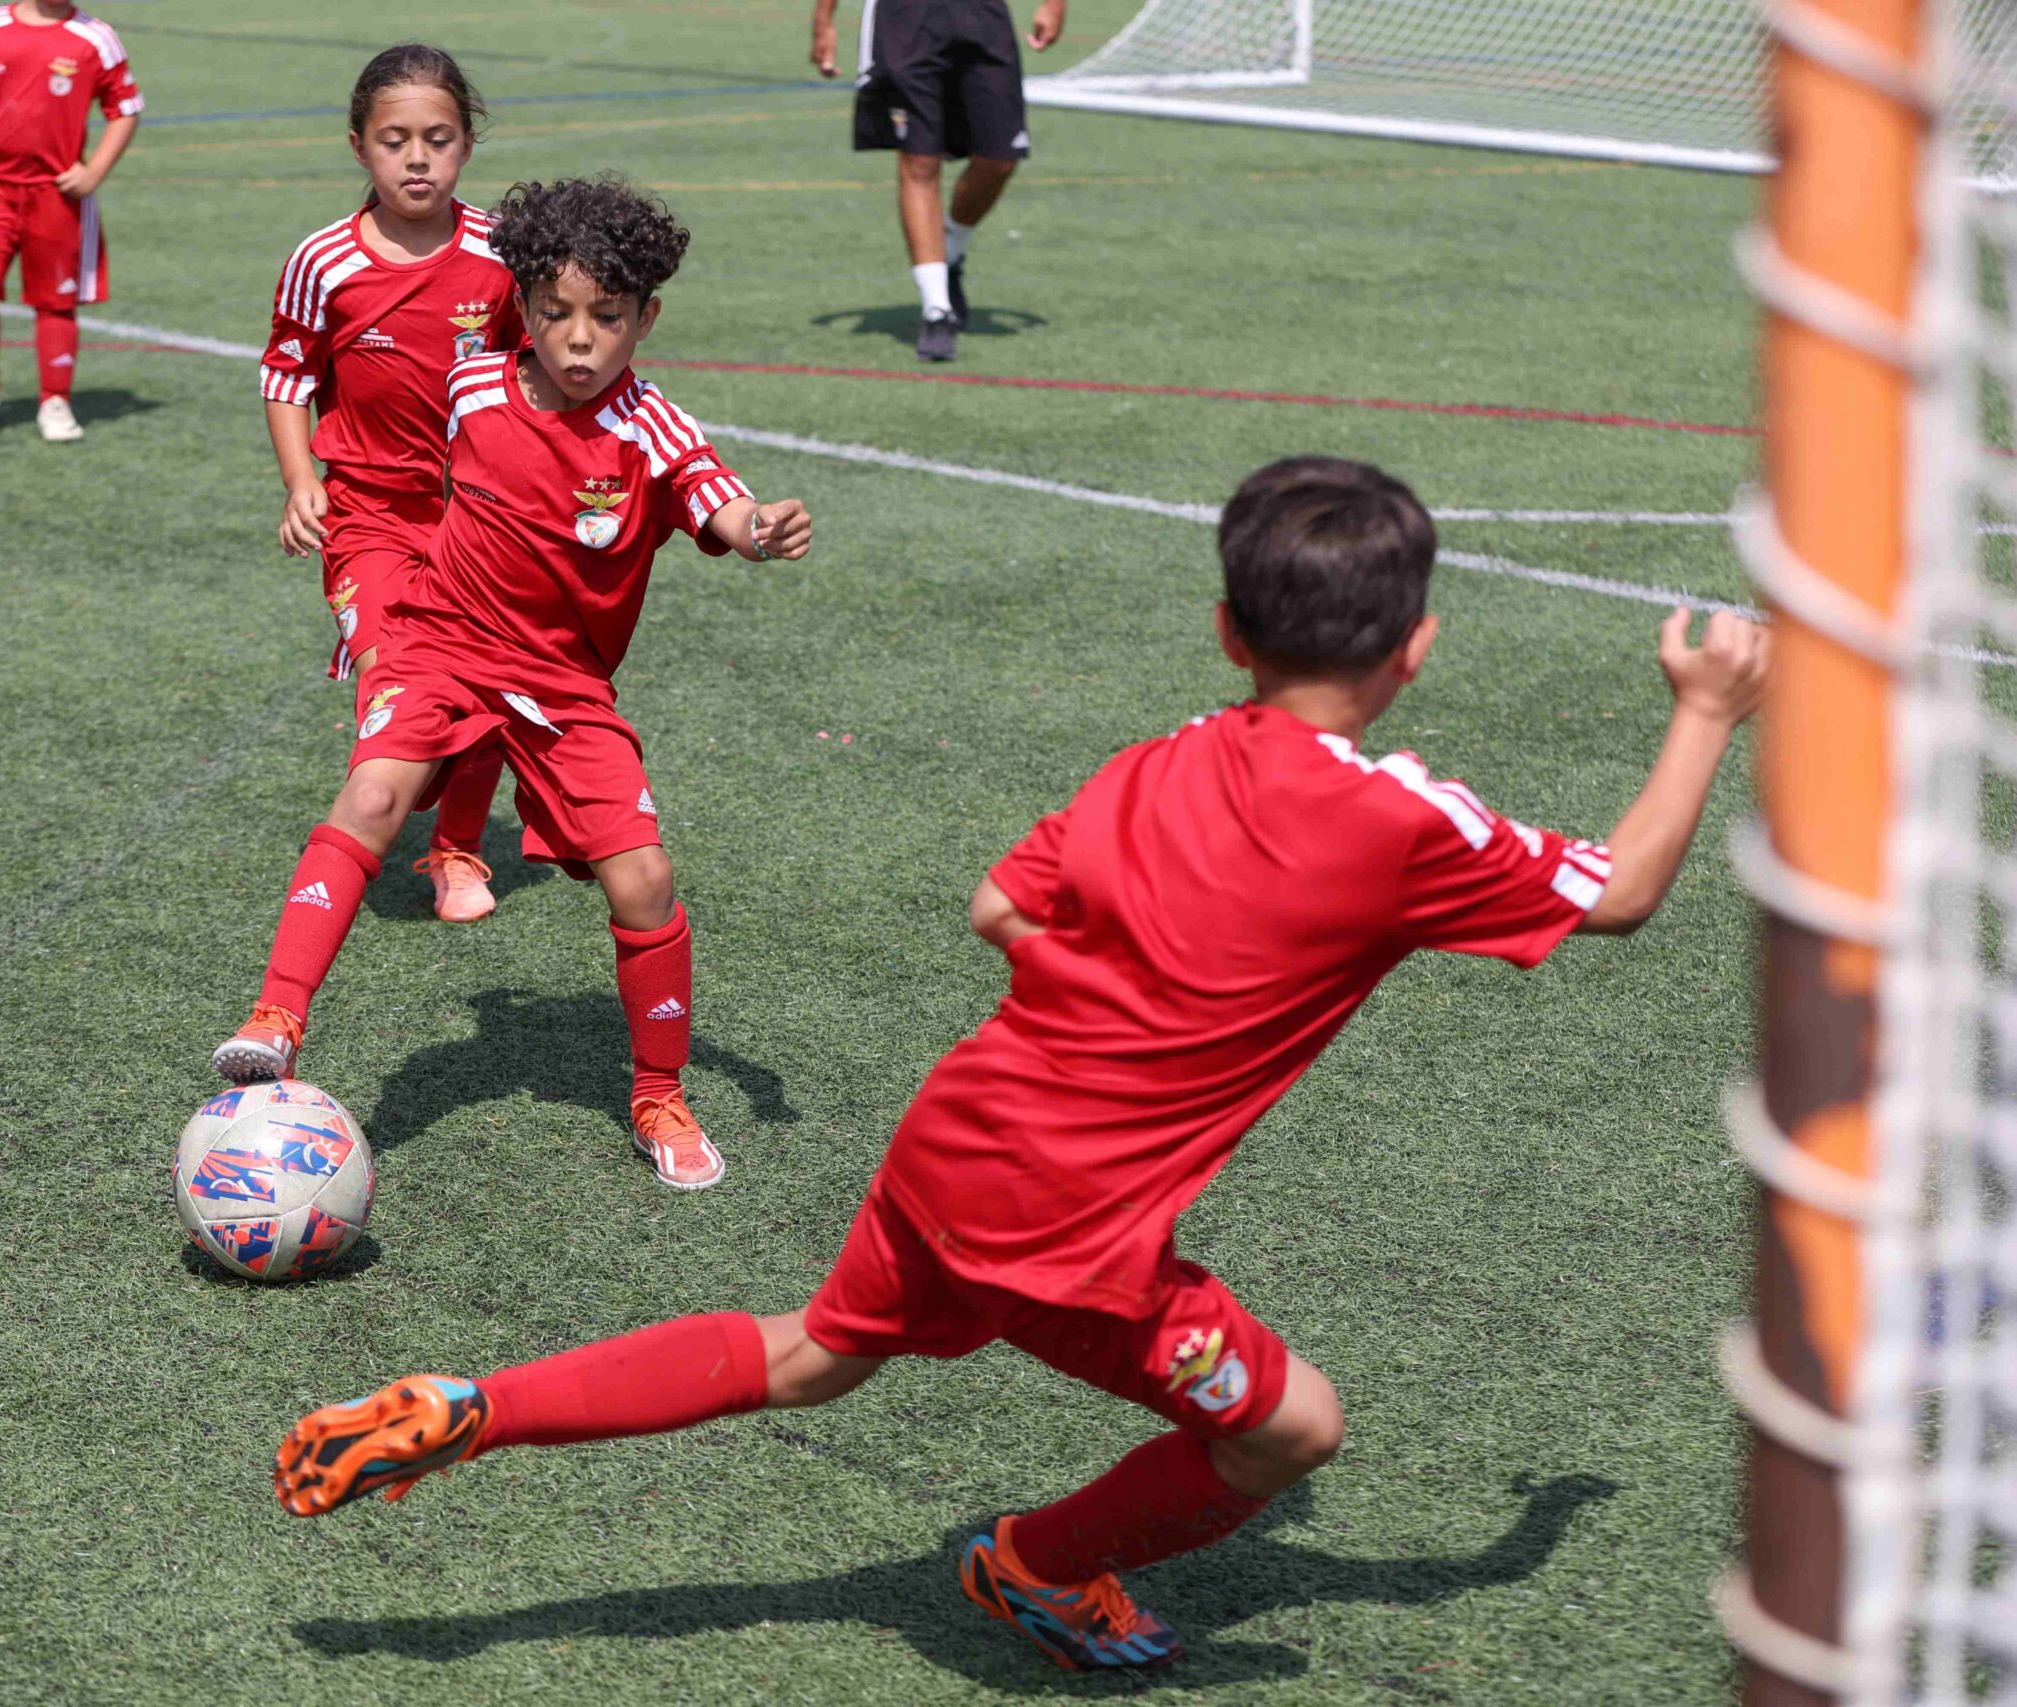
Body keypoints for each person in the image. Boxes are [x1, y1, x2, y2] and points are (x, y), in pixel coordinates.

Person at [268, 457, 1770, 1672]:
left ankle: (478, 1400)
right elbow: (1620, 887)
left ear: (1230, 634)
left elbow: (1001, 902)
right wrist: (1704, 711)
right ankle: (1040, 1561)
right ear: (1418, 647)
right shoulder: (1406, 825)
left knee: (809, 1355)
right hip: (1071, 1229)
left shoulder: (1158, 758)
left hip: (957, 1133)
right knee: (1292, 1426)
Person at [212, 177, 814, 1194]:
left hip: (563, 684)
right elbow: (367, 410)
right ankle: (275, 1018)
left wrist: (760, 530)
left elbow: (721, 505)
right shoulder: (475, 385)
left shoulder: (652, 430)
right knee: (371, 793)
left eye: (607, 318)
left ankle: (658, 1093)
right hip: (437, 642)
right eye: (555, 313)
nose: (580, 340)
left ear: (645, 319)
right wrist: (311, 484)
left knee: (644, 881)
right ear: (520, 310)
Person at [259, 44, 524, 924]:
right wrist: (302, 480)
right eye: (396, 140)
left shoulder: (501, 256)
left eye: (438, 138)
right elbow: (288, 375)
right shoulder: (323, 262)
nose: (418, 158)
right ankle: (395, 785)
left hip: (480, 524)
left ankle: (455, 854)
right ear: (359, 147)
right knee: (398, 685)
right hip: (368, 518)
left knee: (482, 691)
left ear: (467, 145)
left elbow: (537, 369)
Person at [0, 0, 142, 444]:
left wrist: (94, 172)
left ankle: (55, 399)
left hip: (57, 195)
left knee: (56, 301)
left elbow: (125, 108)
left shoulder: (96, 38)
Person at [812, 0, 1064, 362]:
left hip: (982, 15)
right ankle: (936, 309)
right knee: (918, 159)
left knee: (1000, 159)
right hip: (904, 17)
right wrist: (825, 20)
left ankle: (949, 250)